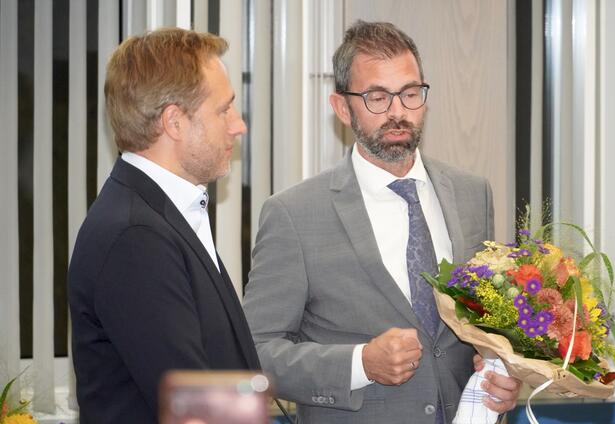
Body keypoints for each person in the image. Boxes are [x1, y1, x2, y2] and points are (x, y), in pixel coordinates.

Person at [243, 20, 520, 423]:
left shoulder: (472, 193)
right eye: (377, 97)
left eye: (410, 93)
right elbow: (255, 352)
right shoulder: (294, 214)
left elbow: (486, 327)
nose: (397, 112)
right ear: (342, 108)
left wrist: (504, 374)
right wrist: (360, 364)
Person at [67, 28, 259, 424]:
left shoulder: (162, 215)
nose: (238, 125)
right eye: (223, 110)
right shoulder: (136, 237)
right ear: (174, 122)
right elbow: (196, 411)